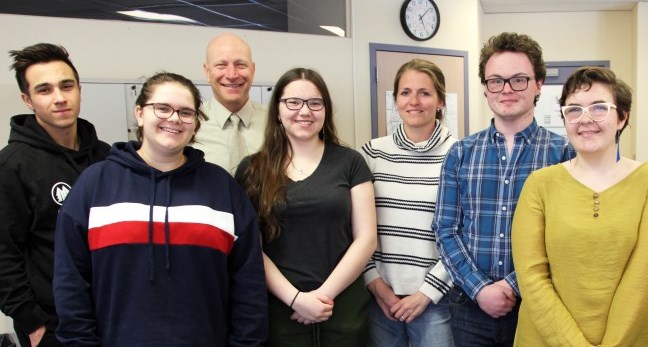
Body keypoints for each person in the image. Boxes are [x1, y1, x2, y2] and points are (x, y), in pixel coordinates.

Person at [52, 72, 269, 346]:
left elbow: (248, 285)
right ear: (140, 113)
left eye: (186, 112)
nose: (174, 119)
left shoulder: (222, 189)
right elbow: (71, 283)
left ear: (195, 124)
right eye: (163, 108)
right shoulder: (95, 185)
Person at [511, 66, 648, 347]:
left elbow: (643, 280)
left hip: (628, 340)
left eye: (599, 108)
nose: (584, 119)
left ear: (622, 117)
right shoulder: (539, 185)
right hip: (544, 339)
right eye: (573, 110)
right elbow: (532, 278)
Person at [433, 32, 572, 347]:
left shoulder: (563, 154)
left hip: (537, 305)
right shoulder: (461, 153)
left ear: (538, 84)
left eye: (519, 80)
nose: (506, 89)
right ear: (485, 88)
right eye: (496, 80)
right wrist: (480, 288)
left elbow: (563, 236)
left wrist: (512, 286)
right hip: (468, 307)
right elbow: (445, 229)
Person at [0, 43, 110, 347]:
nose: (60, 98)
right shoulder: (9, 168)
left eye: (67, 86)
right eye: (45, 90)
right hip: (54, 325)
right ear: (27, 99)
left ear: (79, 89)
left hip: (112, 312)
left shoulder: (107, 158)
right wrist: (32, 322)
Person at [237, 68, 377, 346]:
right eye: (293, 102)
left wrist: (323, 296)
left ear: (325, 110)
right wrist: (296, 299)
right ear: (277, 109)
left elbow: (367, 238)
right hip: (280, 310)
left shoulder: (350, 162)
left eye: (315, 103)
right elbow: (251, 247)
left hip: (344, 307)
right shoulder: (252, 169)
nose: (305, 111)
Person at [360, 59, 457, 347]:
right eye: (405, 92)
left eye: (425, 93)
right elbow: (357, 228)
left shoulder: (459, 154)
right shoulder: (372, 153)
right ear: (395, 99)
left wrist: (427, 292)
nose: (414, 101)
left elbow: (463, 234)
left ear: (440, 100)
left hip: (437, 300)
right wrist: (375, 284)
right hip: (381, 299)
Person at [193, 33, 267, 175]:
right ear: (207, 72)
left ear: (253, 69)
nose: (232, 74)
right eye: (221, 65)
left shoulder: (276, 123)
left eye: (240, 65)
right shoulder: (189, 125)